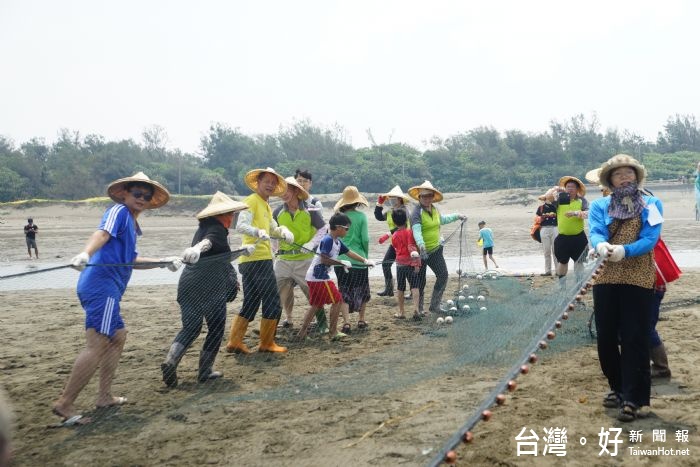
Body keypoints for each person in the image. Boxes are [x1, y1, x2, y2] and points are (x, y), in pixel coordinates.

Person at [52, 172, 182, 425]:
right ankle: (65, 403)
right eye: (137, 194)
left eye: (146, 196)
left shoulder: (132, 225)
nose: (142, 199)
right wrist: (85, 254)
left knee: (118, 336)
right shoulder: (118, 212)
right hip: (101, 284)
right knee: (97, 343)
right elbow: (101, 234)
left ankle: (104, 396)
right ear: (124, 193)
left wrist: (163, 262)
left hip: (109, 288)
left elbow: (130, 261)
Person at [589, 154, 663, 422]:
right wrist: (599, 245)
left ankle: (634, 398)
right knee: (606, 337)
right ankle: (617, 387)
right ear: (610, 180)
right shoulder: (600, 205)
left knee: (635, 337)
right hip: (605, 276)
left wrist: (625, 250)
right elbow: (596, 230)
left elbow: (651, 238)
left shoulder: (652, 204)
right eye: (618, 174)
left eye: (628, 173)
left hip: (639, 276)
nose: (624, 177)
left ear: (637, 176)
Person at [161, 192, 252, 388]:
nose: (233, 217)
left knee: (191, 328)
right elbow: (208, 243)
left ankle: (171, 360)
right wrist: (197, 249)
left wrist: (242, 251)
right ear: (223, 215)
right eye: (231, 213)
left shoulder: (203, 228)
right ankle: (205, 371)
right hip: (210, 287)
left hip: (188, 284)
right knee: (216, 328)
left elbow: (217, 254)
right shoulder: (217, 230)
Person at [225, 167, 294, 354]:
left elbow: (272, 228)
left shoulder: (266, 205)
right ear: (258, 183)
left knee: (252, 301)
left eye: (273, 182)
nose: (270, 185)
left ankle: (235, 341)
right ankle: (267, 343)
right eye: (267, 181)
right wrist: (257, 232)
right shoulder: (251, 201)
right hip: (257, 258)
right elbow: (241, 225)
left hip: (250, 260)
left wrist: (284, 233)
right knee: (272, 300)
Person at [297, 213, 373, 340]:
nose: (347, 231)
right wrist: (341, 263)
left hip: (314, 277)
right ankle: (333, 332)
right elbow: (324, 259)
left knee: (316, 305)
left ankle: (302, 333)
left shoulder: (337, 242)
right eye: (347, 228)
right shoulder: (328, 240)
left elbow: (349, 253)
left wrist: (365, 261)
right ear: (338, 228)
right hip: (319, 277)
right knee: (338, 300)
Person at [273, 176, 327, 328]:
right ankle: (274, 326)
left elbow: (323, 229)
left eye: (287, 190)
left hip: (305, 259)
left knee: (312, 292)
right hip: (283, 259)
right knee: (278, 293)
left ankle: (322, 324)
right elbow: (273, 232)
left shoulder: (311, 208)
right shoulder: (277, 212)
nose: (284, 193)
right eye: (281, 190)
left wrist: (311, 244)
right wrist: (274, 248)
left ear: (296, 191)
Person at [408, 180, 466, 315]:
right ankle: (420, 309)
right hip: (420, 253)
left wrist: (457, 216)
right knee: (420, 281)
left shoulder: (434, 209)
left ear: (433, 197)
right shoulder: (416, 212)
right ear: (419, 197)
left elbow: (443, 220)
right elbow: (416, 230)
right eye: (424, 196)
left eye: (429, 196)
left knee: (443, 275)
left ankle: (435, 305)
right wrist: (421, 246)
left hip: (435, 250)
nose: (427, 198)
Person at [334, 186, 376, 331]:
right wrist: (365, 256)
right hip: (358, 261)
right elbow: (365, 239)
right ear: (357, 202)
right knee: (363, 290)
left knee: (343, 291)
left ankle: (346, 322)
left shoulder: (338, 217)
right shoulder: (361, 217)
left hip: (340, 261)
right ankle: (361, 320)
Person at [545, 176, 589, 281]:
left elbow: (588, 214)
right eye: (568, 187)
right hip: (563, 238)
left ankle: (578, 283)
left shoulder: (582, 201)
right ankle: (562, 284)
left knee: (579, 262)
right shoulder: (560, 199)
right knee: (562, 262)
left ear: (577, 189)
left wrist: (575, 213)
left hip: (579, 237)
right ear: (565, 188)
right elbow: (547, 197)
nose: (570, 189)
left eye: (573, 187)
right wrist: (555, 189)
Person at [374, 185, 411, 297]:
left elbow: (402, 225)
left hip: (405, 242)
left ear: (400, 199)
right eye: (390, 198)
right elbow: (379, 217)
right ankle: (389, 289)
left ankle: (412, 292)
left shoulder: (405, 211)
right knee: (386, 264)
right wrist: (379, 204)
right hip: (394, 243)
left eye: (394, 198)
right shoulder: (390, 211)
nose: (391, 200)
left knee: (407, 267)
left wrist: (387, 234)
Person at [388, 208, 422, 320]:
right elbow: (413, 248)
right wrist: (416, 263)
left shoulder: (394, 236)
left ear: (394, 222)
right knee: (415, 286)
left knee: (400, 288)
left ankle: (401, 312)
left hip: (400, 264)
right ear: (406, 219)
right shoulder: (410, 232)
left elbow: (395, 247)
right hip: (411, 263)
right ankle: (416, 309)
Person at [536, 191, 558, 276]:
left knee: (556, 251)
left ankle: (558, 270)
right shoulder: (540, 208)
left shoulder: (556, 207)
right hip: (544, 229)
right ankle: (547, 270)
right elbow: (537, 219)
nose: (548, 200)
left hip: (555, 228)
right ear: (544, 199)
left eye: (550, 198)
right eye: (547, 198)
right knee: (546, 251)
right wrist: (542, 217)